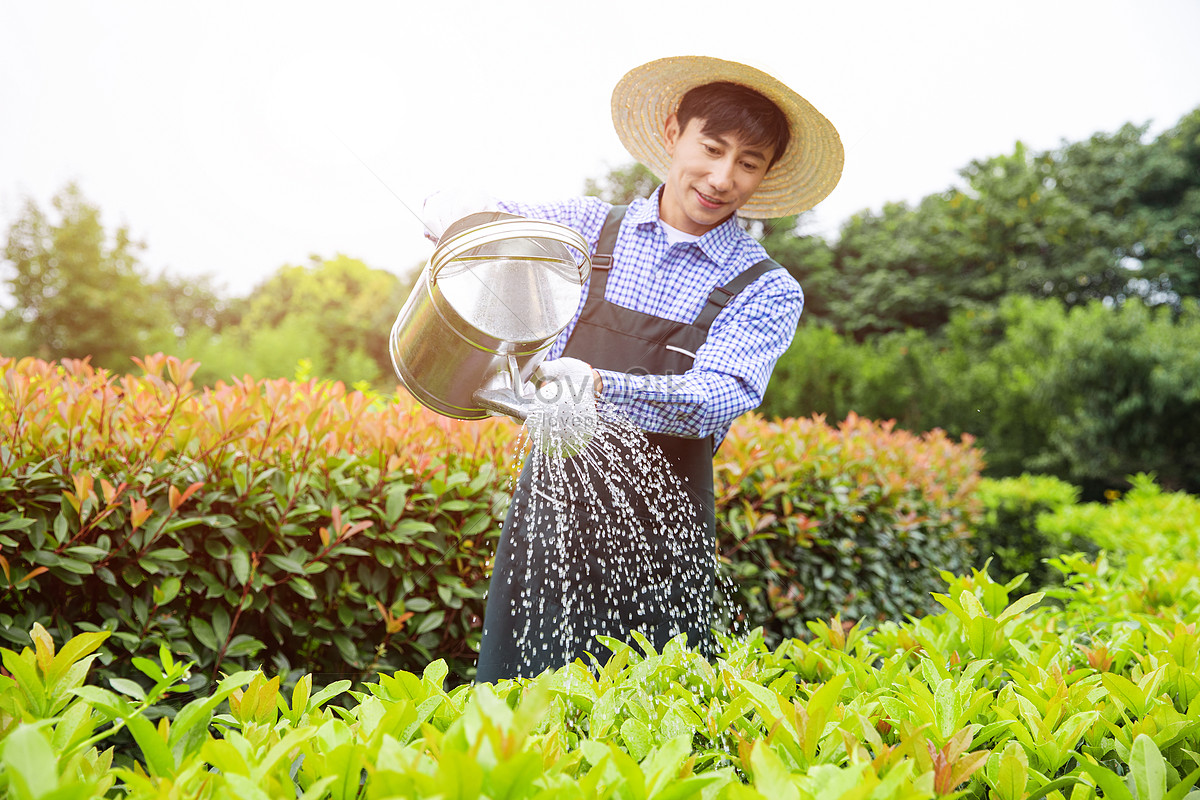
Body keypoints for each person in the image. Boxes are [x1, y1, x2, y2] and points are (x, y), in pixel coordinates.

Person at [427, 55, 843, 682]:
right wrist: (460, 214)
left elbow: (718, 394)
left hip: (663, 547)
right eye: (712, 147)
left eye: (748, 163)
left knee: (652, 742)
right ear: (674, 132)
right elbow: (490, 223)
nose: (722, 177)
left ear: (764, 175)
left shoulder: (766, 287)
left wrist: (597, 385)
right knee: (515, 717)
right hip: (550, 526)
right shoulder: (587, 229)